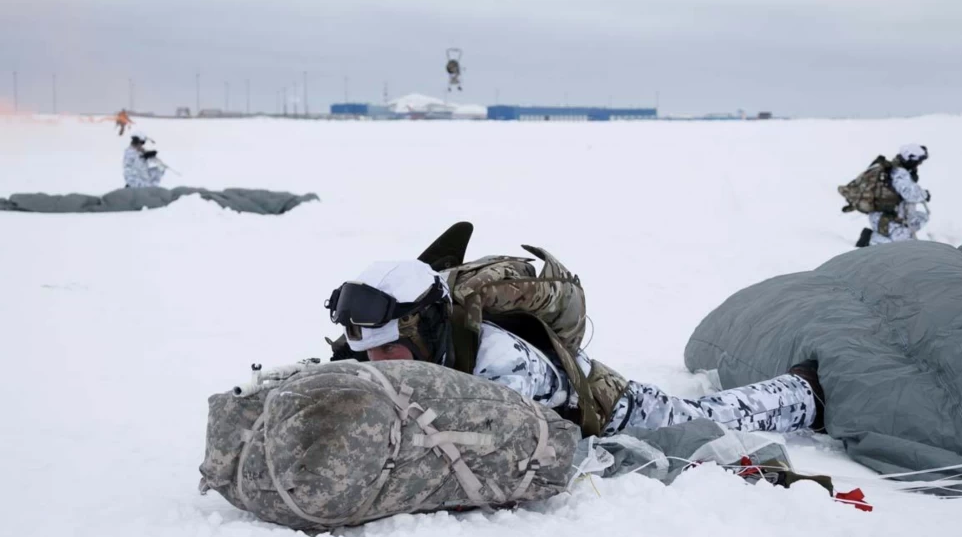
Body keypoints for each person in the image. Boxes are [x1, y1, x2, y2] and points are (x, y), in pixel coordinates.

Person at [324, 251, 825, 439]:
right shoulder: (385, 342)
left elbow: (511, 449)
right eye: (371, 352)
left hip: (603, 401)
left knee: (701, 421)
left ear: (425, 329)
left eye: (390, 352)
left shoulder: (502, 367)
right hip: (563, 379)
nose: (378, 364)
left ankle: (802, 393)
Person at [855, 144, 930, 247]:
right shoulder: (899, 173)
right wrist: (924, 194)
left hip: (884, 216)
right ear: (910, 159)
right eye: (918, 161)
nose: (919, 164)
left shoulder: (894, 169)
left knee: (922, 218)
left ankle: (897, 234)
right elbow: (909, 194)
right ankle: (871, 239)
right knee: (902, 247)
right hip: (886, 219)